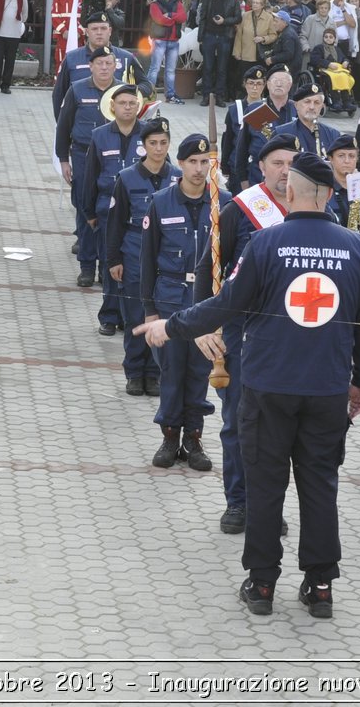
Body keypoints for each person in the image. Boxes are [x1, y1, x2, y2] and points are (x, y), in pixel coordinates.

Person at [137, 153, 360, 619]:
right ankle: (321, 586)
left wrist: (171, 326)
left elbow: (224, 305)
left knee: (266, 486)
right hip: (327, 388)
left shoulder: (267, 244)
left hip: (269, 387)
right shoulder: (356, 247)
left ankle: (263, 584)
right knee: (320, 485)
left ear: (290, 192)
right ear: (330, 196)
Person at [212, 134, 296, 533]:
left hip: (291, 339)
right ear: (261, 167)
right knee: (238, 422)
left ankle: (268, 506)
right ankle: (239, 502)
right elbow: (212, 268)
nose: (284, 170)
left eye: (290, 163)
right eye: (277, 162)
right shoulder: (240, 210)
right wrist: (208, 328)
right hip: (242, 335)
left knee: (278, 430)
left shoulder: (312, 209)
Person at [139, 134, 230, 471]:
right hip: (170, 299)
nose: (198, 168)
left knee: (198, 371)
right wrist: (149, 309)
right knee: (171, 372)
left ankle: (194, 438)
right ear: (180, 164)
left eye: (205, 162)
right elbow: (147, 257)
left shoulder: (223, 202)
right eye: (192, 161)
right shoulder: (161, 202)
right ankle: (169, 436)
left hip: (206, 304)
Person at [103, 115, 174, 396]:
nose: (159, 148)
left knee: (162, 317)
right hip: (134, 254)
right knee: (135, 317)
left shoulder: (178, 177)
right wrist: (113, 260)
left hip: (168, 259)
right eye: (153, 143)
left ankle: (154, 373)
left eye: (164, 143)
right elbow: (115, 222)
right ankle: (134, 372)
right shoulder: (127, 178)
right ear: (143, 146)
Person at [82, 83, 148, 337]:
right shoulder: (100, 135)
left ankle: (131, 317)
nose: (128, 107)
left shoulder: (148, 133)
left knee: (134, 268)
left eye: (132, 103)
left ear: (138, 106)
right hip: (107, 211)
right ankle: (109, 316)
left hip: (139, 214)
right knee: (110, 266)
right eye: (123, 103)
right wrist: (89, 212)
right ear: (113, 106)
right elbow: (90, 176)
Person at [58, 48, 124, 287]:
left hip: (113, 158)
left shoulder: (123, 92)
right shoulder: (77, 89)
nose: (104, 67)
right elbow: (63, 126)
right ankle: (87, 266)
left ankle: (106, 268)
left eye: (108, 63)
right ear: (91, 66)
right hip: (83, 156)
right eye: (100, 63)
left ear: (115, 65)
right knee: (87, 213)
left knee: (110, 214)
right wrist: (63, 159)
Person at [238, 66, 297, 186]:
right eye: (275, 81)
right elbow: (242, 148)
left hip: (291, 178)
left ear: (290, 85)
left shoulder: (297, 109)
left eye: (284, 81)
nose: (279, 84)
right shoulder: (256, 109)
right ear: (268, 85)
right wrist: (243, 180)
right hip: (259, 177)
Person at [198, 0, 242, 105]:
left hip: (225, 36)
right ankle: (206, 96)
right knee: (207, 67)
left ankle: (220, 96)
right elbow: (203, 17)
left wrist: (224, 21)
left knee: (222, 68)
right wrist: (200, 37)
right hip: (209, 35)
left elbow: (238, 18)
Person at [223, 66, 266, 193]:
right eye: (251, 83)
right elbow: (227, 140)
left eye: (259, 84)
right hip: (237, 168)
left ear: (264, 86)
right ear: (244, 84)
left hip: (259, 170)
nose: (254, 88)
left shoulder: (267, 109)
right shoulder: (235, 109)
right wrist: (224, 167)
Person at [274, 80, 340, 157]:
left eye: (317, 103)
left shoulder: (333, 135)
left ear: (322, 107)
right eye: (307, 102)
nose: (312, 107)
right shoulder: (281, 133)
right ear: (296, 105)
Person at [145, 0, 187, 101]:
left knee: (170, 70)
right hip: (159, 40)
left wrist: (169, 15)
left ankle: (170, 95)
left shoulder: (177, 3)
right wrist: (174, 19)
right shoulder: (155, 4)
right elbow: (159, 19)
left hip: (173, 41)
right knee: (155, 68)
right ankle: (148, 94)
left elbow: (183, 18)